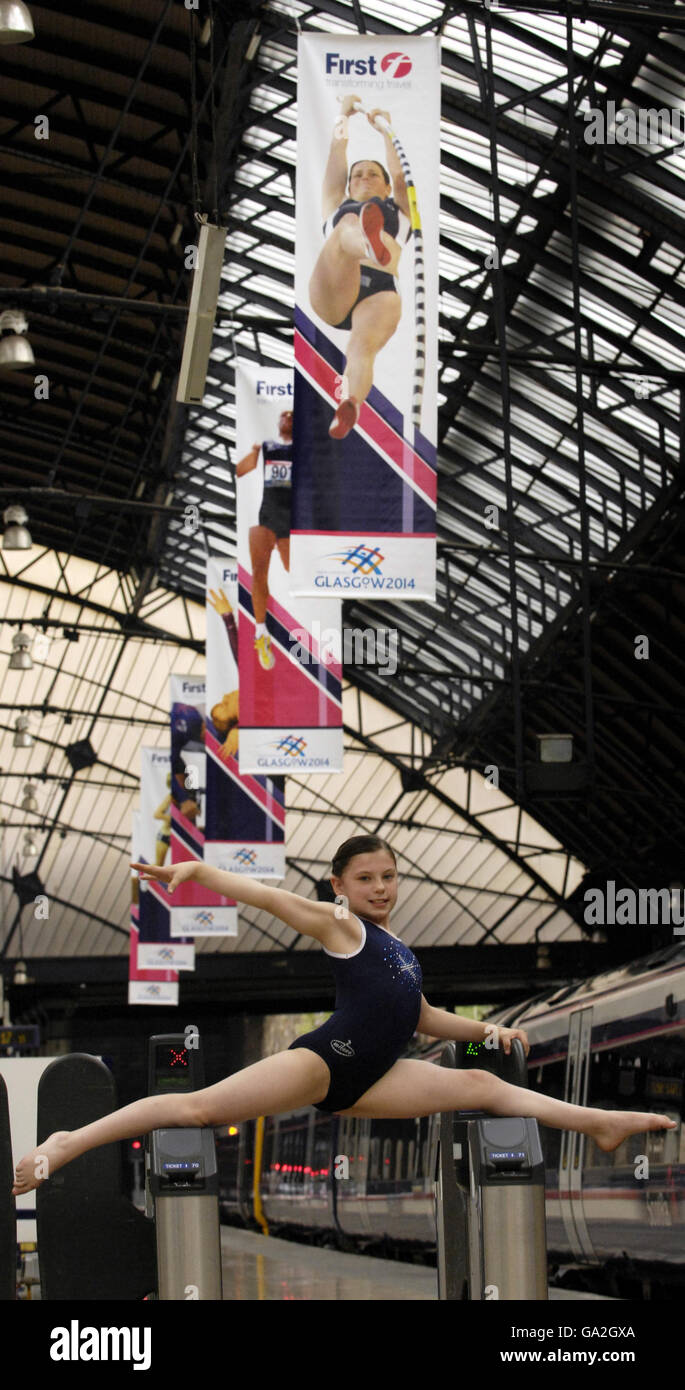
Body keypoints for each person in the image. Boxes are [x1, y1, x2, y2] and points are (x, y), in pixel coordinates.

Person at [12, 835, 678, 1195]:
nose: (380, 887)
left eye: (388, 876)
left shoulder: (398, 949)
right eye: (366, 878)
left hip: (378, 1073)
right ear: (339, 885)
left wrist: (485, 1029)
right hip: (325, 1064)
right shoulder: (341, 925)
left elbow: (417, 1016)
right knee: (197, 1110)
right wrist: (201, 875)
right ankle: (67, 1143)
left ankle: (600, 1125)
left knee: (482, 1084)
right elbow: (269, 899)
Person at [309, 97, 411, 440]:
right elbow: (336, 163)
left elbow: (400, 176)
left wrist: (387, 130)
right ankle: (367, 244)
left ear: (384, 187)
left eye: (373, 174)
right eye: (358, 175)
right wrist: (342, 116)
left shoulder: (401, 213)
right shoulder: (336, 207)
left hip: (379, 293)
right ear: (349, 186)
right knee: (347, 225)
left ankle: (350, 401)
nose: (364, 178)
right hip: (337, 285)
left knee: (361, 347)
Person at [236, 409, 292, 671]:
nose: (287, 417)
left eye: (292, 415)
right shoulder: (267, 446)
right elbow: (242, 469)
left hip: (292, 521)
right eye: (283, 414)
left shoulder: (305, 449)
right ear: (277, 421)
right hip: (267, 517)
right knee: (259, 573)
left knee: (296, 573)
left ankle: (299, 632)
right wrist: (252, 452)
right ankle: (261, 632)